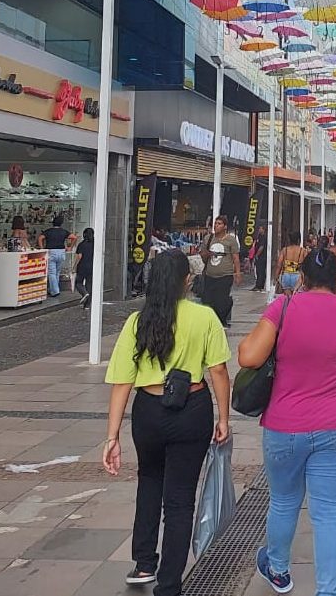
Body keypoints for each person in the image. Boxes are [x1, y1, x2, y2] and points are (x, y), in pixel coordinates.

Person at [239, 248, 336, 596]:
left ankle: (279, 570)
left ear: (301, 278)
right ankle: (328, 591)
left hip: (284, 425)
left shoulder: (283, 308)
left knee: (284, 501)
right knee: (329, 513)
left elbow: (248, 356)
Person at [103, 249, 232, 593]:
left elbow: (122, 382)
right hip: (192, 408)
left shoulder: (137, 321)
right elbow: (218, 370)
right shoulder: (204, 317)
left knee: (149, 481)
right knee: (180, 498)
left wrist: (112, 435)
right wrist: (224, 417)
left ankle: (144, 563)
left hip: (148, 410)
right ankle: (170, 582)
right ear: (186, 280)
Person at [197, 216, 242, 328]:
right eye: (215, 223)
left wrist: (237, 274)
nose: (216, 226)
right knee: (208, 300)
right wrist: (206, 254)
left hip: (225, 275)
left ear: (225, 226)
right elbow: (202, 255)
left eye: (219, 223)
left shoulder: (231, 240)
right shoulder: (208, 238)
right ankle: (211, 322)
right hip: (210, 275)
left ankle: (222, 320)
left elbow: (236, 258)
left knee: (222, 301)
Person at [39, 215, 70, 298]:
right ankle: (54, 289)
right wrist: (69, 246)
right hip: (61, 251)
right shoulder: (64, 231)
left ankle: (55, 291)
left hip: (51, 251)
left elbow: (40, 238)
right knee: (57, 271)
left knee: (51, 272)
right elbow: (74, 237)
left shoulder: (48, 231)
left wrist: (42, 248)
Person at [275, 231, 305, 295]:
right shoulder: (303, 251)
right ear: (299, 240)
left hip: (286, 275)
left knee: (287, 299)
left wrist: (276, 277)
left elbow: (278, 265)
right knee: (295, 299)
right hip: (297, 276)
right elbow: (307, 266)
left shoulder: (284, 250)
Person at [74, 228, 94, 309]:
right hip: (91, 266)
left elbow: (79, 256)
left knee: (78, 283)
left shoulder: (81, 244)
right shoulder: (95, 244)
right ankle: (87, 305)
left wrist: (74, 266)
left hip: (82, 266)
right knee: (89, 284)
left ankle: (84, 293)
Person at [251, 226, 269, 292]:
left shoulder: (264, 237)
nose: (259, 229)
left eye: (260, 228)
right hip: (259, 257)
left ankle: (260, 285)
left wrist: (257, 255)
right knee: (258, 271)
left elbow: (261, 247)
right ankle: (258, 285)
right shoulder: (259, 236)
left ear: (263, 229)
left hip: (261, 257)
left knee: (260, 271)